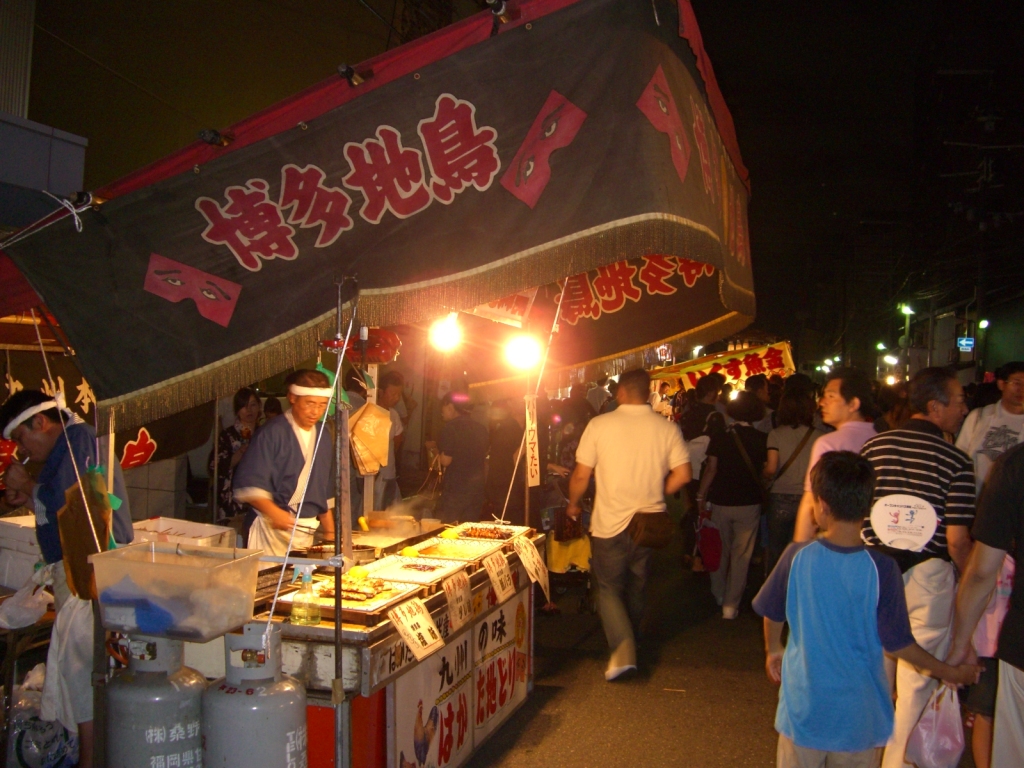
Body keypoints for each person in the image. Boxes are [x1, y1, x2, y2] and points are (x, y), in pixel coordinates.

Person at [754, 451, 979, 768]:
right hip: (860, 720)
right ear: (868, 507)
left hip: (804, 713)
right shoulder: (882, 568)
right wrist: (950, 672)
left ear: (821, 505)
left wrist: (773, 649)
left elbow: (772, 611)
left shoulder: (796, 557)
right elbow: (899, 643)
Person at [1, 389, 136, 768]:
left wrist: (28, 486)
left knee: (83, 670)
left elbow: (83, 505)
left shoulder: (80, 439)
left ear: (40, 423)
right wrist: (29, 498)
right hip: (75, 568)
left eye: (21, 439)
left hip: (89, 570)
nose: (23, 449)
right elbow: (59, 510)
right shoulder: (67, 448)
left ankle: (90, 761)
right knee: (79, 669)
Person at [859, 367, 974, 768]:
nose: (963, 409)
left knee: (875, 668)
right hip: (929, 576)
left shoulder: (873, 449)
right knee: (918, 677)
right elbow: (958, 539)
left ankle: (863, 756)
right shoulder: (957, 461)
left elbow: (858, 512)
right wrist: (969, 580)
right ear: (934, 406)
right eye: (958, 402)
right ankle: (896, 761)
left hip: (874, 570)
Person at [567, 368, 691, 680]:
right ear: (648, 392)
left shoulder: (600, 425)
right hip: (648, 523)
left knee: (608, 588)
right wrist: (659, 492)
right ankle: (633, 637)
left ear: (620, 392)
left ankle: (623, 649)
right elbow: (683, 474)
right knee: (638, 584)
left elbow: (581, 475)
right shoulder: (666, 427)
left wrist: (572, 504)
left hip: (610, 522)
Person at [951, 361, 1023, 767]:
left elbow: (981, 572)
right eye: (1016, 382)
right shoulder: (981, 419)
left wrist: (961, 643)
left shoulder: (1015, 467)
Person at [233, 369, 335, 554]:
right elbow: (249, 483)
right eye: (310, 403)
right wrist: (274, 512)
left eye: (322, 405)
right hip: (269, 529)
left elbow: (323, 489)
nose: (316, 411)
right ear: (293, 398)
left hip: (306, 531)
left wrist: (330, 533)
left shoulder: (323, 434)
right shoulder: (271, 432)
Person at [696, 390, 768, 619]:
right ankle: (731, 604)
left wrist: (701, 496)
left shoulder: (721, 436)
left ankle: (718, 593)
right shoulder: (762, 439)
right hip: (749, 502)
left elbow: (711, 469)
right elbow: (766, 473)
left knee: (721, 549)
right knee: (742, 555)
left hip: (721, 500)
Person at [792, 368, 878, 543]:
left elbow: (811, 501)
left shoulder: (829, 444)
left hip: (838, 541)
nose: (822, 402)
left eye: (831, 396)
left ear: (853, 404)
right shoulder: (882, 438)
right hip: (874, 540)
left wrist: (798, 549)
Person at [763, 390, 823, 573]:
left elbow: (772, 469)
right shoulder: (820, 437)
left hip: (780, 497)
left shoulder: (775, 434)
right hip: (808, 499)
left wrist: (763, 472)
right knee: (802, 550)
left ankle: (774, 589)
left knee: (776, 549)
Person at [956, 361, 1024, 494]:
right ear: (1001, 384)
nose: (1021, 389)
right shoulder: (979, 417)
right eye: (1017, 383)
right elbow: (960, 457)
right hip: (976, 500)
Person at [209, 387, 261, 522]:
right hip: (233, 500)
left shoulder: (265, 433)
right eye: (244, 406)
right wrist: (239, 454)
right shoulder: (227, 436)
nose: (249, 410)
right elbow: (214, 466)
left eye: (253, 405)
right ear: (237, 411)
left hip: (259, 499)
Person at [437, 391, 489, 523]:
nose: (441, 411)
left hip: (456, 489)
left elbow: (446, 461)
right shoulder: (481, 429)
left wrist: (434, 452)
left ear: (450, 406)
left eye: (442, 407)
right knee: (468, 530)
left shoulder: (450, 428)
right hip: (477, 490)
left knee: (448, 530)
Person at [485, 399, 525, 519]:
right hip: (508, 489)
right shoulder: (514, 430)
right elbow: (516, 458)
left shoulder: (500, 429)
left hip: (496, 488)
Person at [375, 370, 406, 510]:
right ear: (380, 392)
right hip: (374, 475)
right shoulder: (371, 411)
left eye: (399, 394)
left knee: (390, 511)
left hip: (390, 472)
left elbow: (398, 440)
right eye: (393, 393)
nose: (396, 398)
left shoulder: (394, 415)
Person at [679, 375, 721, 441]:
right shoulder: (714, 417)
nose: (718, 396)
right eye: (717, 392)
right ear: (711, 393)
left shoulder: (687, 414)